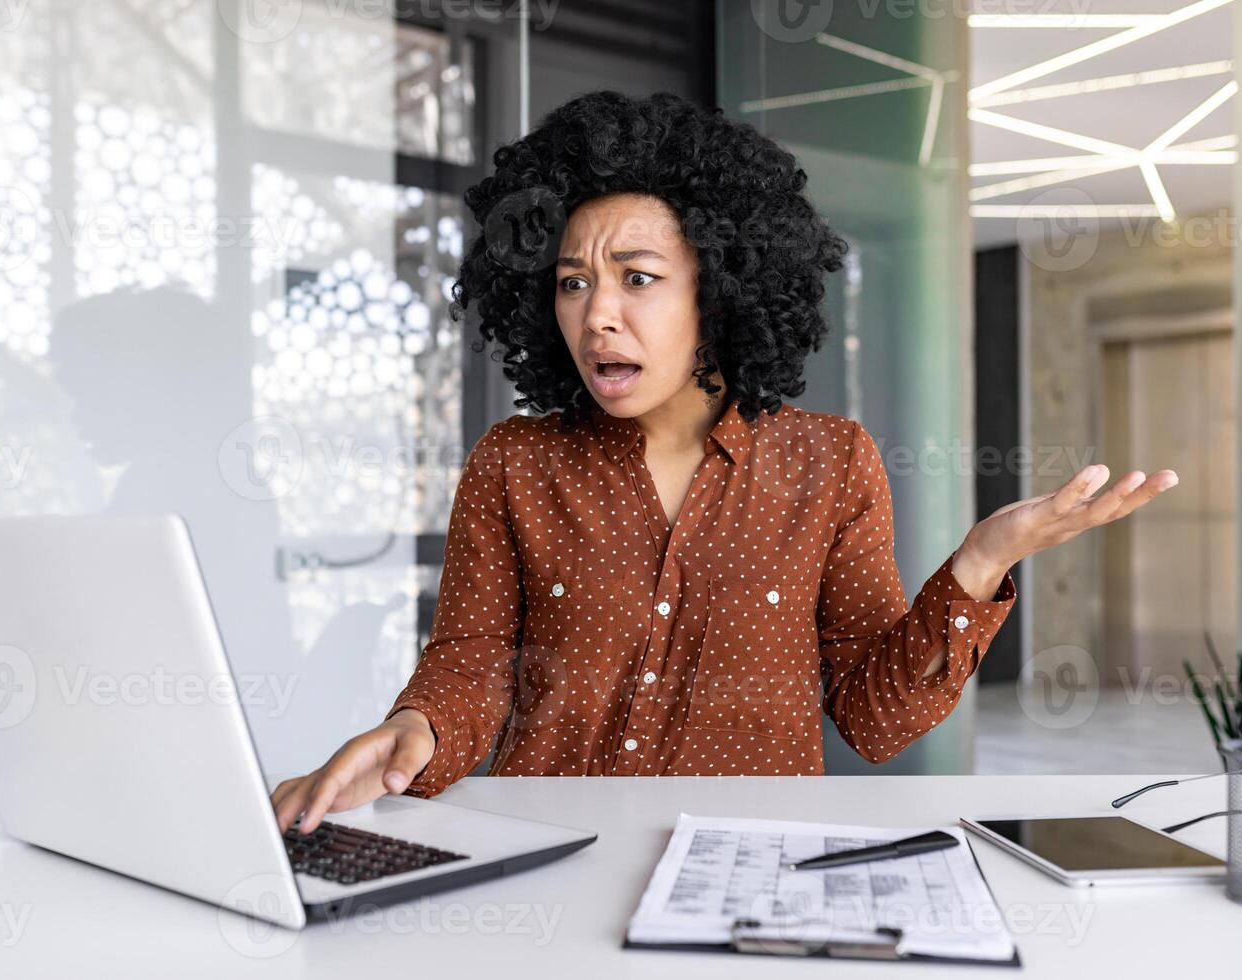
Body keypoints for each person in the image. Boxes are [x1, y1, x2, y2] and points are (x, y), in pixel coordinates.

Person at [272, 91, 1177, 834]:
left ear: (719, 287)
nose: (597, 317)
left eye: (637, 277)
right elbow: (470, 666)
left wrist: (981, 562)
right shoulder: (515, 464)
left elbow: (872, 716)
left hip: (751, 874)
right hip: (547, 861)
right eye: (572, 282)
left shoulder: (832, 464)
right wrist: (410, 731)